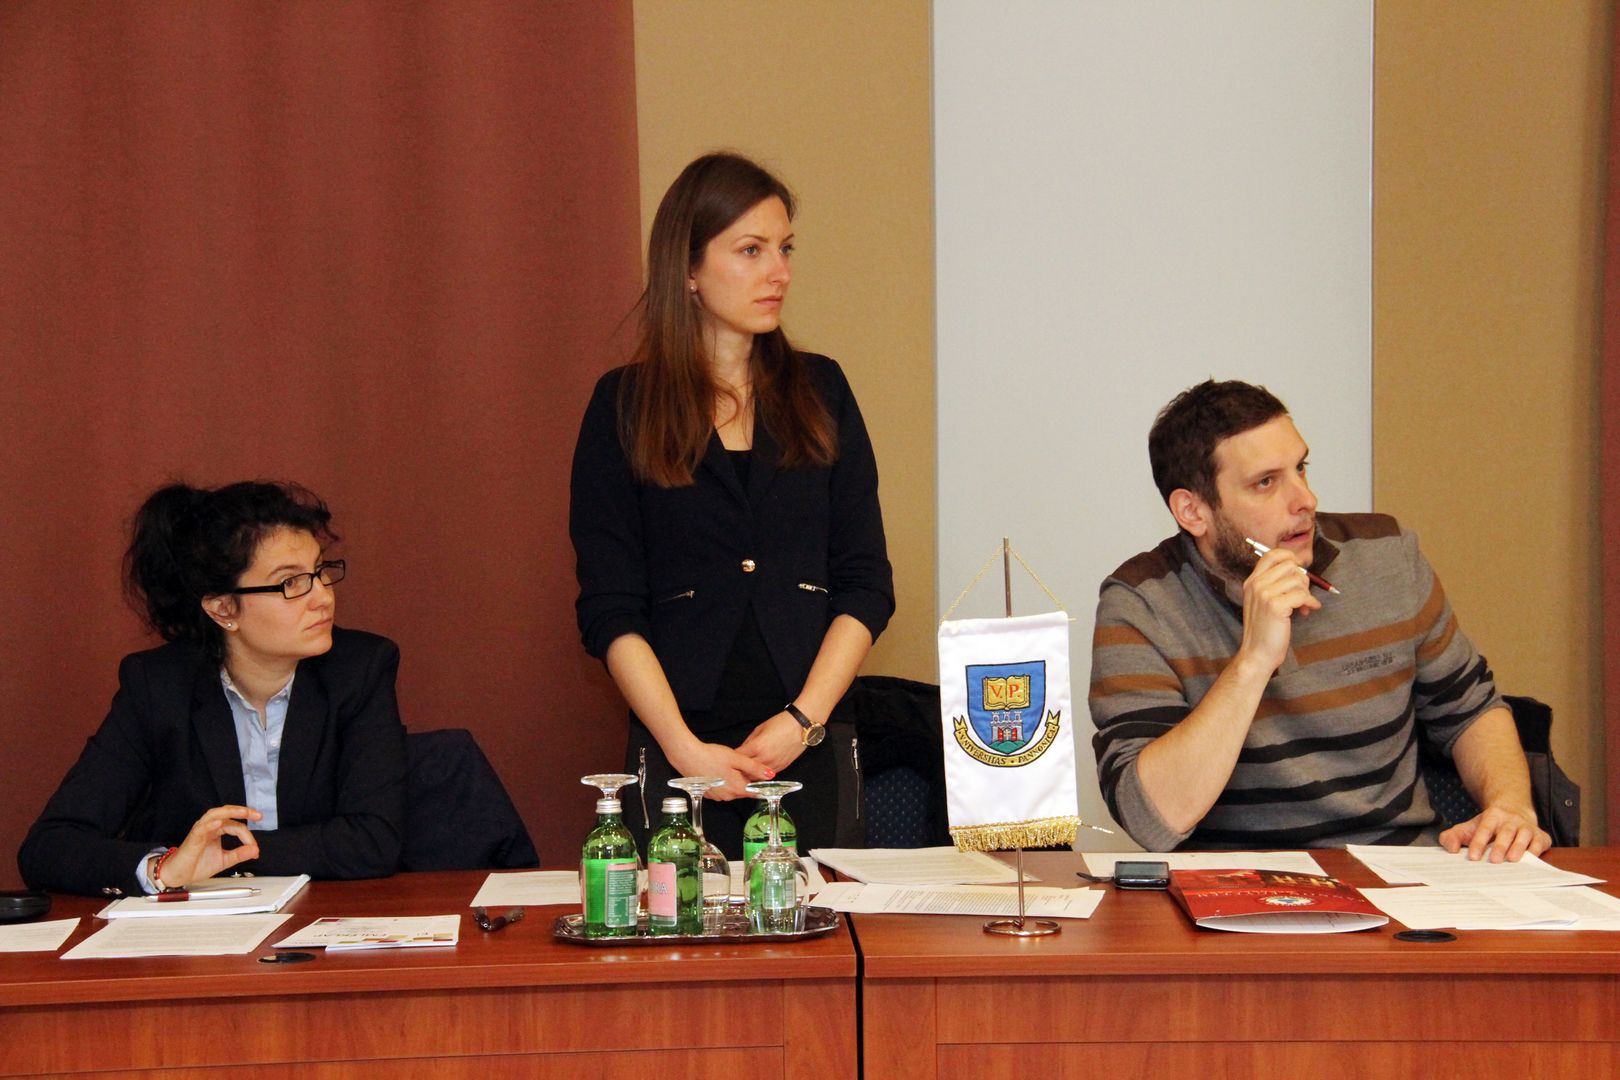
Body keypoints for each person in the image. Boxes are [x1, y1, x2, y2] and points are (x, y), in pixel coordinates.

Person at [570, 153, 893, 857]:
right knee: (677, 921)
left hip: (808, 739)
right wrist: (684, 749)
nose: (778, 272)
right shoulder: (623, 406)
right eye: (751, 251)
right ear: (688, 269)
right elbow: (610, 607)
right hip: (679, 742)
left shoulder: (823, 389)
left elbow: (866, 584)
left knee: (816, 919)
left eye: (785, 249)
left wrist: (802, 721)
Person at [1089, 380, 1550, 861]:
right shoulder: (1141, 603)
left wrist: (1511, 805)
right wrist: (1253, 662)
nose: (1305, 499)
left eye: (1301, 468)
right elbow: (1153, 818)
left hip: (1398, 868)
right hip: (1236, 884)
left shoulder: (1386, 554)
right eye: (1266, 483)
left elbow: (1470, 709)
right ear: (1193, 511)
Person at [18, 481, 407, 896]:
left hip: (323, 914)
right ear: (223, 609)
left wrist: (220, 859)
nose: (322, 597)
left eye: (319, 571)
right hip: (194, 929)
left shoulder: (359, 668)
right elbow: (50, 847)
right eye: (291, 583)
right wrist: (164, 867)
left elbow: (373, 841)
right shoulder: (158, 687)